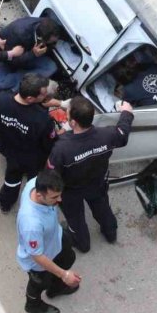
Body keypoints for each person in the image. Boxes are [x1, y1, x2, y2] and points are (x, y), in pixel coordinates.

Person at [48, 97, 133, 252]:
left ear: (72, 123)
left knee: (75, 219)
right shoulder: (107, 135)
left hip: (71, 191)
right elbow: (123, 134)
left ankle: (83, 244)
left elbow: (51, 174)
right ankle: (110, 233)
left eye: (67, 114)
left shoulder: (61, 148)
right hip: (97, 183)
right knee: (102, 208)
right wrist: (127, 112)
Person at [0, 74, 57, 213]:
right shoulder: (42, 119)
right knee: (33, 181)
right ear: (31, 98)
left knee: (12, 179)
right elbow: (48, 144)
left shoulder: (0, 100)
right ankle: (34, 205)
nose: (45, 97)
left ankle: (5, 203)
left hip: (6, 146)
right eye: (43, 95)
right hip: (29, 156)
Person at [16, 169, 80, 313]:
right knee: (39, 282)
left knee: (68, 258)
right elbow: (37, 256)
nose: (60, 200)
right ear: (39, 195)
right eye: (54, 197)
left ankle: (56, 289)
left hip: (54, 239)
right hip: (40, 258)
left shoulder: (35, 183)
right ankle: (32, 304)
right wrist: (64, 275)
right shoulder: (31, 223)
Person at [0, 17, 61, 92]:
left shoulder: (46, 26)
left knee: (51, 67)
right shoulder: (18, 34)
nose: (53, 44)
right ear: (41, 39)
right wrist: (32, 54)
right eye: (51, 42)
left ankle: (23, 82)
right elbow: (10, 60)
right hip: (6, 59)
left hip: (28, 55)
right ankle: (23, 84)